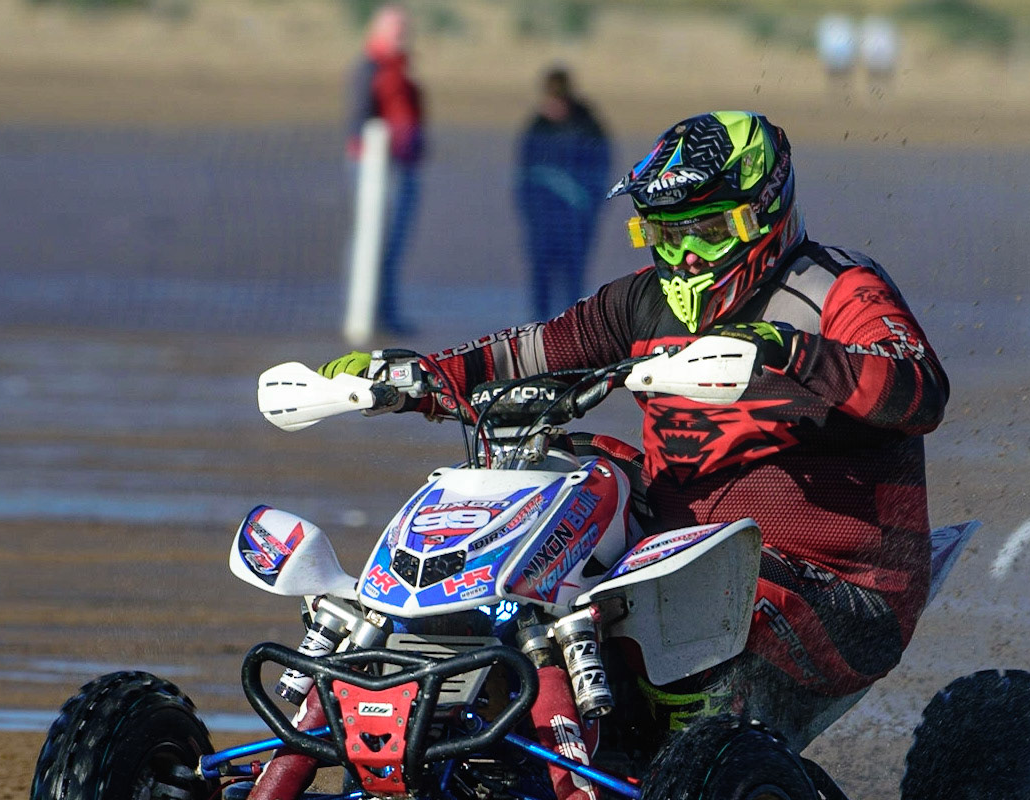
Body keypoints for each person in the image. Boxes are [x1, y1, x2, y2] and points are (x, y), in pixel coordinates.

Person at [316, 111, 948, 744]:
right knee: (564, 475)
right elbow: (525, 354)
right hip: (674, 556)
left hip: (845, 587)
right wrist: (411, 377)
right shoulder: (639, 301)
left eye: (706, 230)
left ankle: (692, 769)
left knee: (688, 591)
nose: (687, 257)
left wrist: (788, 352)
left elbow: (920, 391)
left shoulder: (836, 289)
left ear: (764, 212)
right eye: (666, 235)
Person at [347, 5, 425, 334]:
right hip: (377, 170)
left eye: (403, 29)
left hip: (403, 168)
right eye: (395, 29)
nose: (401, 36)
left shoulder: (402, 71)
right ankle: (368, 313)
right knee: (373, 243)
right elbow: (359, 120)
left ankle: (386, 312)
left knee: (392, 246)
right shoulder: (369, 67)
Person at [514, 69, 611, 320]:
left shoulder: (588, 127)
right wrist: (530, 210)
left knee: (572, 279)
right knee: (541, 278)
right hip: (542, 219)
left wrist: (588, 209)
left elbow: (601, 172)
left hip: (575, 221)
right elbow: (523, 175)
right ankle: (538, 330)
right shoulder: (537, 127)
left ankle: (572, 328)